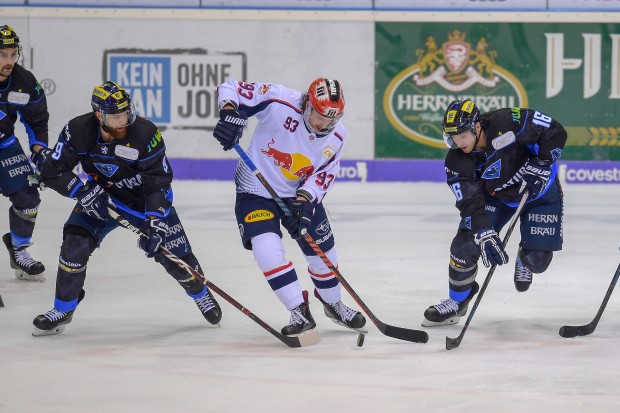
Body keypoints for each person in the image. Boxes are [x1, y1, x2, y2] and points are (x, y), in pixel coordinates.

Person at [30, 81, 221, 335]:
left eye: (125, 113)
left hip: (143, 202)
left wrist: (155, 220)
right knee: (74, 244)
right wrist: (82, 191)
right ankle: (64, 307)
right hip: (100, 199)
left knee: (177, 258)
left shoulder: (144, 133)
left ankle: (200, 293)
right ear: (99, 115)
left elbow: (158, 183)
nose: (123, 121)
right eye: (116, 116)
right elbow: (52, 170)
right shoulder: (77, 130)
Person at [213, 78, 366, 336]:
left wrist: (306, 199)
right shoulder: (280, 100)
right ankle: (298, 310)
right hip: (255, 190)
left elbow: (324, 173)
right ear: (307, 103)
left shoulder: (338, 136)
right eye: (318, 116)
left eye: (330, 119)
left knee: (324, 255)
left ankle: (333, 303)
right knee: (266, 250)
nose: (322, 125)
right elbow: (230, 87)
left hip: (298, 195)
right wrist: (229, 111)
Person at [422, 99, 567, 327]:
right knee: (465, 245)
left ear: (477, 127)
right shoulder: (456, 161)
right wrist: (484, 231)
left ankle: (525, 254)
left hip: (540, 193)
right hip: (497, 199)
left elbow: (555, 131)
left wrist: (542, 163)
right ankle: (457, 301)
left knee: (537, 262)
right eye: (452, 136)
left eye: (462, 135)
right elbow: (469, 202)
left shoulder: (507, 121)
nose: (457, 142)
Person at [0, 25, 48, 281]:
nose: (9, 61)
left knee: (28, 197)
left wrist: (40, 151)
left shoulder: (24, 81)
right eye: (2, 54)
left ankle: (19, 249)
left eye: (12, 54)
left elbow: (36, 120)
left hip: (5, 146)